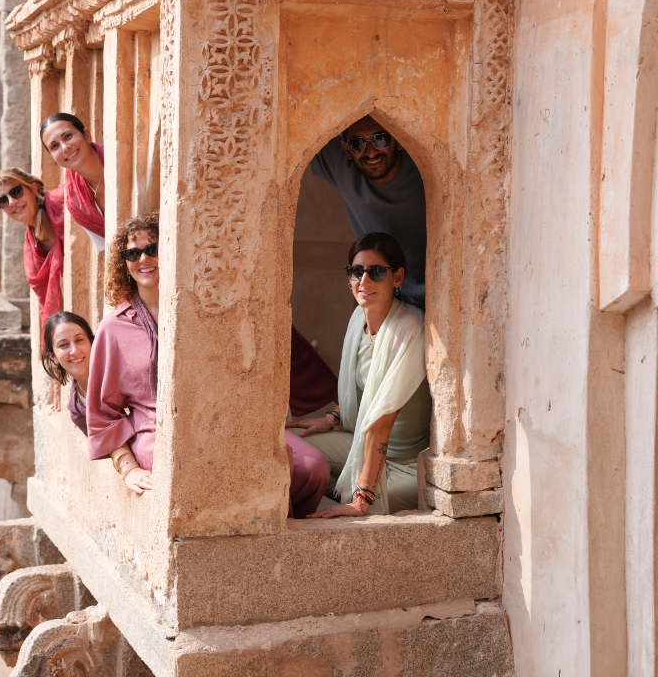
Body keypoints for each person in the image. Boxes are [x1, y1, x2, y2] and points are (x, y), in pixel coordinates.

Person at [85, 212, 329, 516]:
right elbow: (102, 414)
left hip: (224, 420)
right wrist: (128, 468)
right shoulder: (114, 328)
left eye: (153, 249)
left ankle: (287, 528)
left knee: (314, 468)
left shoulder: (204, 308)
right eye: (133, 253)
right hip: (157, 431)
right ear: (124, 262)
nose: (143, 258)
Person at [287, 232, 431, 517]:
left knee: (348, 493)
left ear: (398, 278)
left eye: (376, 272)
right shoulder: (358, 320)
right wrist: (333, 419)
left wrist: (361, 500)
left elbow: (382, 420)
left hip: (405, 464)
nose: (364, 281)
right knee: (294, 449)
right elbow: (363, 396)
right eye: (356, 271)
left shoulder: (409, 327)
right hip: (359, 443)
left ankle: (352, 492)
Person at [311, 116, 427, 309]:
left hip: (444, 298)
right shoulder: (341, 166)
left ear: (399, 140)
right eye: (357, 143)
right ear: (347, 150)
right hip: (387, 304)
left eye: (380, 139)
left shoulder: (428, 167)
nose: (370, 152)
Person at [0, 168, 65, 334]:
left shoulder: (62, 203)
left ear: (34, 187)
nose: (11, 202)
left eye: (16, 191)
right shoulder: (32, 247)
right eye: (2, 200)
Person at [40, 113, 106, 252]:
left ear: (87, 135)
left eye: (67, 136)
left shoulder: (123, 156)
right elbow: (111, 246)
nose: (65, 147)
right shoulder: (76, 204)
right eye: (54, 146)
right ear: (53, 157)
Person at [40, 311, 95, 435]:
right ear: (53, 356)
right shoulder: (77, 411)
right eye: (63, 345)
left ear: (91, 342)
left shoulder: (119, 377)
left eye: (79, 340)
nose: (74, 351)